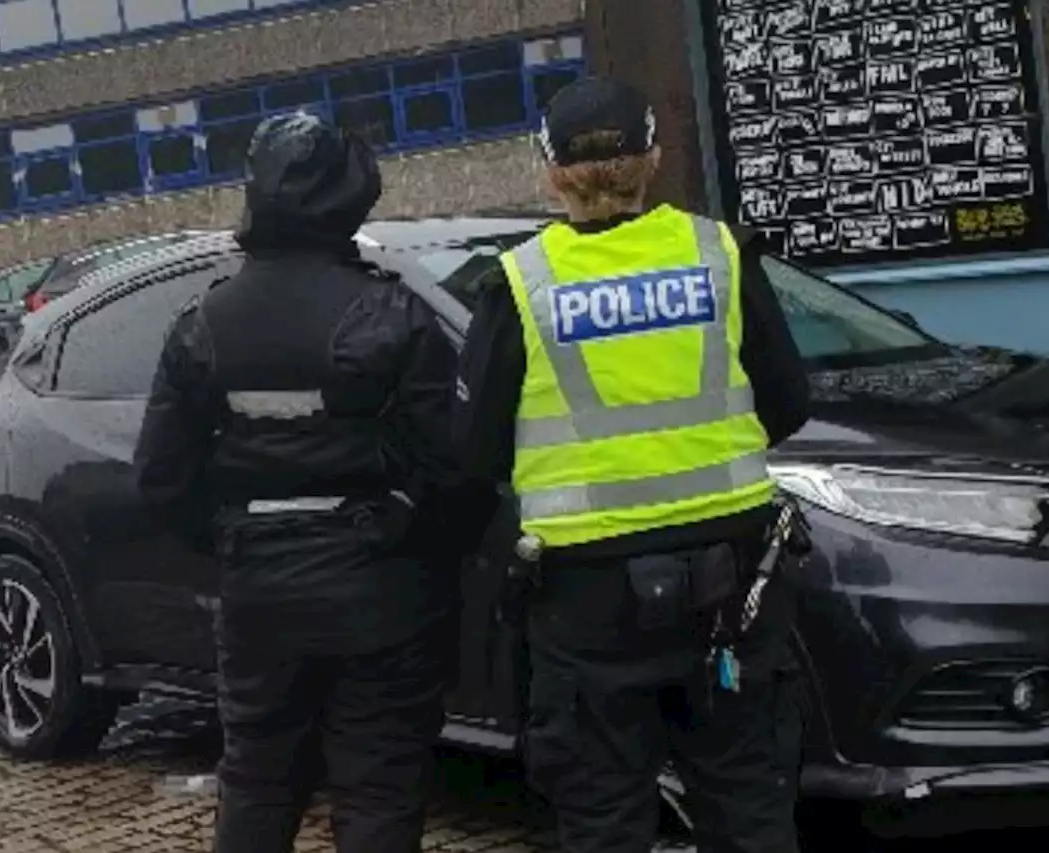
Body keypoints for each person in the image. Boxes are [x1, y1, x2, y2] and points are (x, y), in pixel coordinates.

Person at [452, 77, 813, 853]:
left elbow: (475, 448)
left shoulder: (520, 284)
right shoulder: (720, 254)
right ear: (653, 155)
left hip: (587, 601)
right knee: (748, 802)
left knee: (603, 816)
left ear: (551, 172)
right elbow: (787, 402)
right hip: (733, 586)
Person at [134, 111, 462, 853]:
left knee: (256, 778)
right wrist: (410, 536)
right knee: (378, 784)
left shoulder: (203, 322)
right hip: (378, 587)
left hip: (260, 590)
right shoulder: (392, 311)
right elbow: (452, 465)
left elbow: (160, 476)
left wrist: (232, 537)